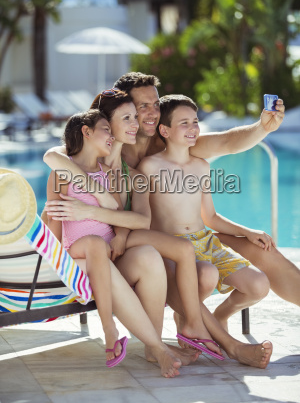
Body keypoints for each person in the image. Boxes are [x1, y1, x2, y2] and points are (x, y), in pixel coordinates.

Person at [44, 90, 273, 369]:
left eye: (135, 117)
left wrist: (106, 217)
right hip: (92, 248)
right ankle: (220, 342)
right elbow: (53, 159)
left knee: (176, 253)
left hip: (123, 243)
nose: (136, 123)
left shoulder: (131, 172)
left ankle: (181, 331)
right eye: (127, 118)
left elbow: (135, 219)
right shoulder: (81, 166)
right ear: (102, 127)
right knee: (164, 256)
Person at [45, 107, 195, 376]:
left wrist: (105, 208)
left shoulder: (110, 175)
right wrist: (56, 267)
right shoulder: (60, 174)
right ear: (86, 132)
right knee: (94, 244)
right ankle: (113, 331)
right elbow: (55, 227)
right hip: (79, 256)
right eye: (106, 130)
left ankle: (153, 346)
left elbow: (125, 218)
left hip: (110, 259)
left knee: (148, 255)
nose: (111, 137)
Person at [136, 94, 272, 335]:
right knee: (207, 275)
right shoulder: (150, 167)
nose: (193, 128)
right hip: (173, 247)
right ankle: (186, 322)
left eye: (195, 121)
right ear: (165, 131)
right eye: (184, 123)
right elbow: (143, 220)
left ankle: (220, 316)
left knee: (259, 285)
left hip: (206, 241)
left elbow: (211, 217)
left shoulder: (201, 166)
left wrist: (248, 232)